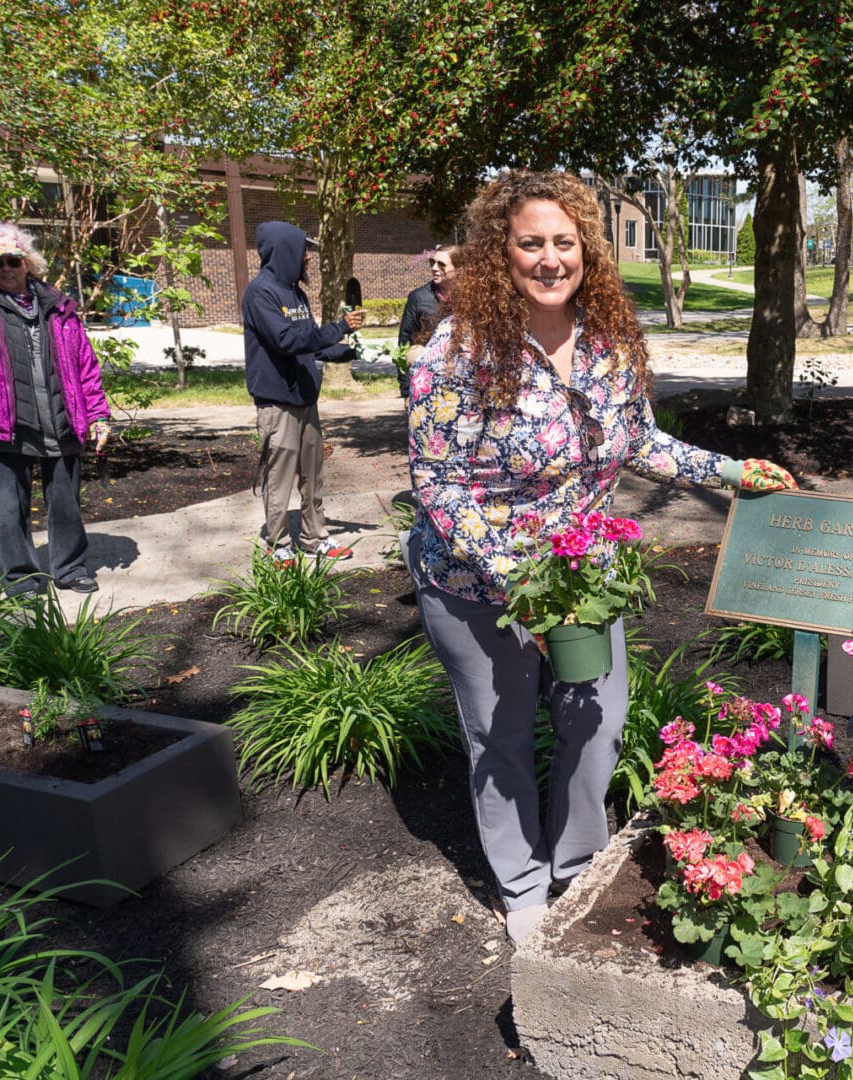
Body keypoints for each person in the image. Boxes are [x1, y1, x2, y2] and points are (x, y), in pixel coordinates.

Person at [405, 171, 795, 945]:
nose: (550, 259)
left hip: (579, 578)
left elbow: (638, 441)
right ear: (497, 252)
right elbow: (437, 485)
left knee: (599, 722)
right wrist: (520, 591)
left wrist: (728, 471)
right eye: (530, 244)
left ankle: (574, 867)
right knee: (501, 733)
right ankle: (520, 888)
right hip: (475, 579)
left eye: (564, 241)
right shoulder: (457, 348)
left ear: (586, 248)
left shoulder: (609, 339)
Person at [0, 224, 111, 596]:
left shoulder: (59, 306)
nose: (5, 268)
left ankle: (70, 568)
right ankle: (20, 577)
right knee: (10, 509)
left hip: (60, 418)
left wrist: (98, 414)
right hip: (2, 422)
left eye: (13, 260)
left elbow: (85, 365)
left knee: (66, 504)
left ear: (27, 263)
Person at [241, 221, 365, 564]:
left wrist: (344, 351)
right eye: (303, 250)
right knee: (279, 479)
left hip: (306, 402)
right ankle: (278, 545)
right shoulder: (260, 293)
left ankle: (315, 537)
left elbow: (307, 342)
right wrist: (338, 328)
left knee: (313, 477)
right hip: (277, 404)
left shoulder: (296, 293)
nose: (307, 258)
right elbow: (285, 341)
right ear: (285, 250)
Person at [396, 245, 460, 398]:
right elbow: (404, 344)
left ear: (459, 268)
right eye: (432, 262)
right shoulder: (418, 298)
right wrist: (406, 391)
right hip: (427, 383)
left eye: (441, 264)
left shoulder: (474, 298)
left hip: (462, 383)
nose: (434, 268)